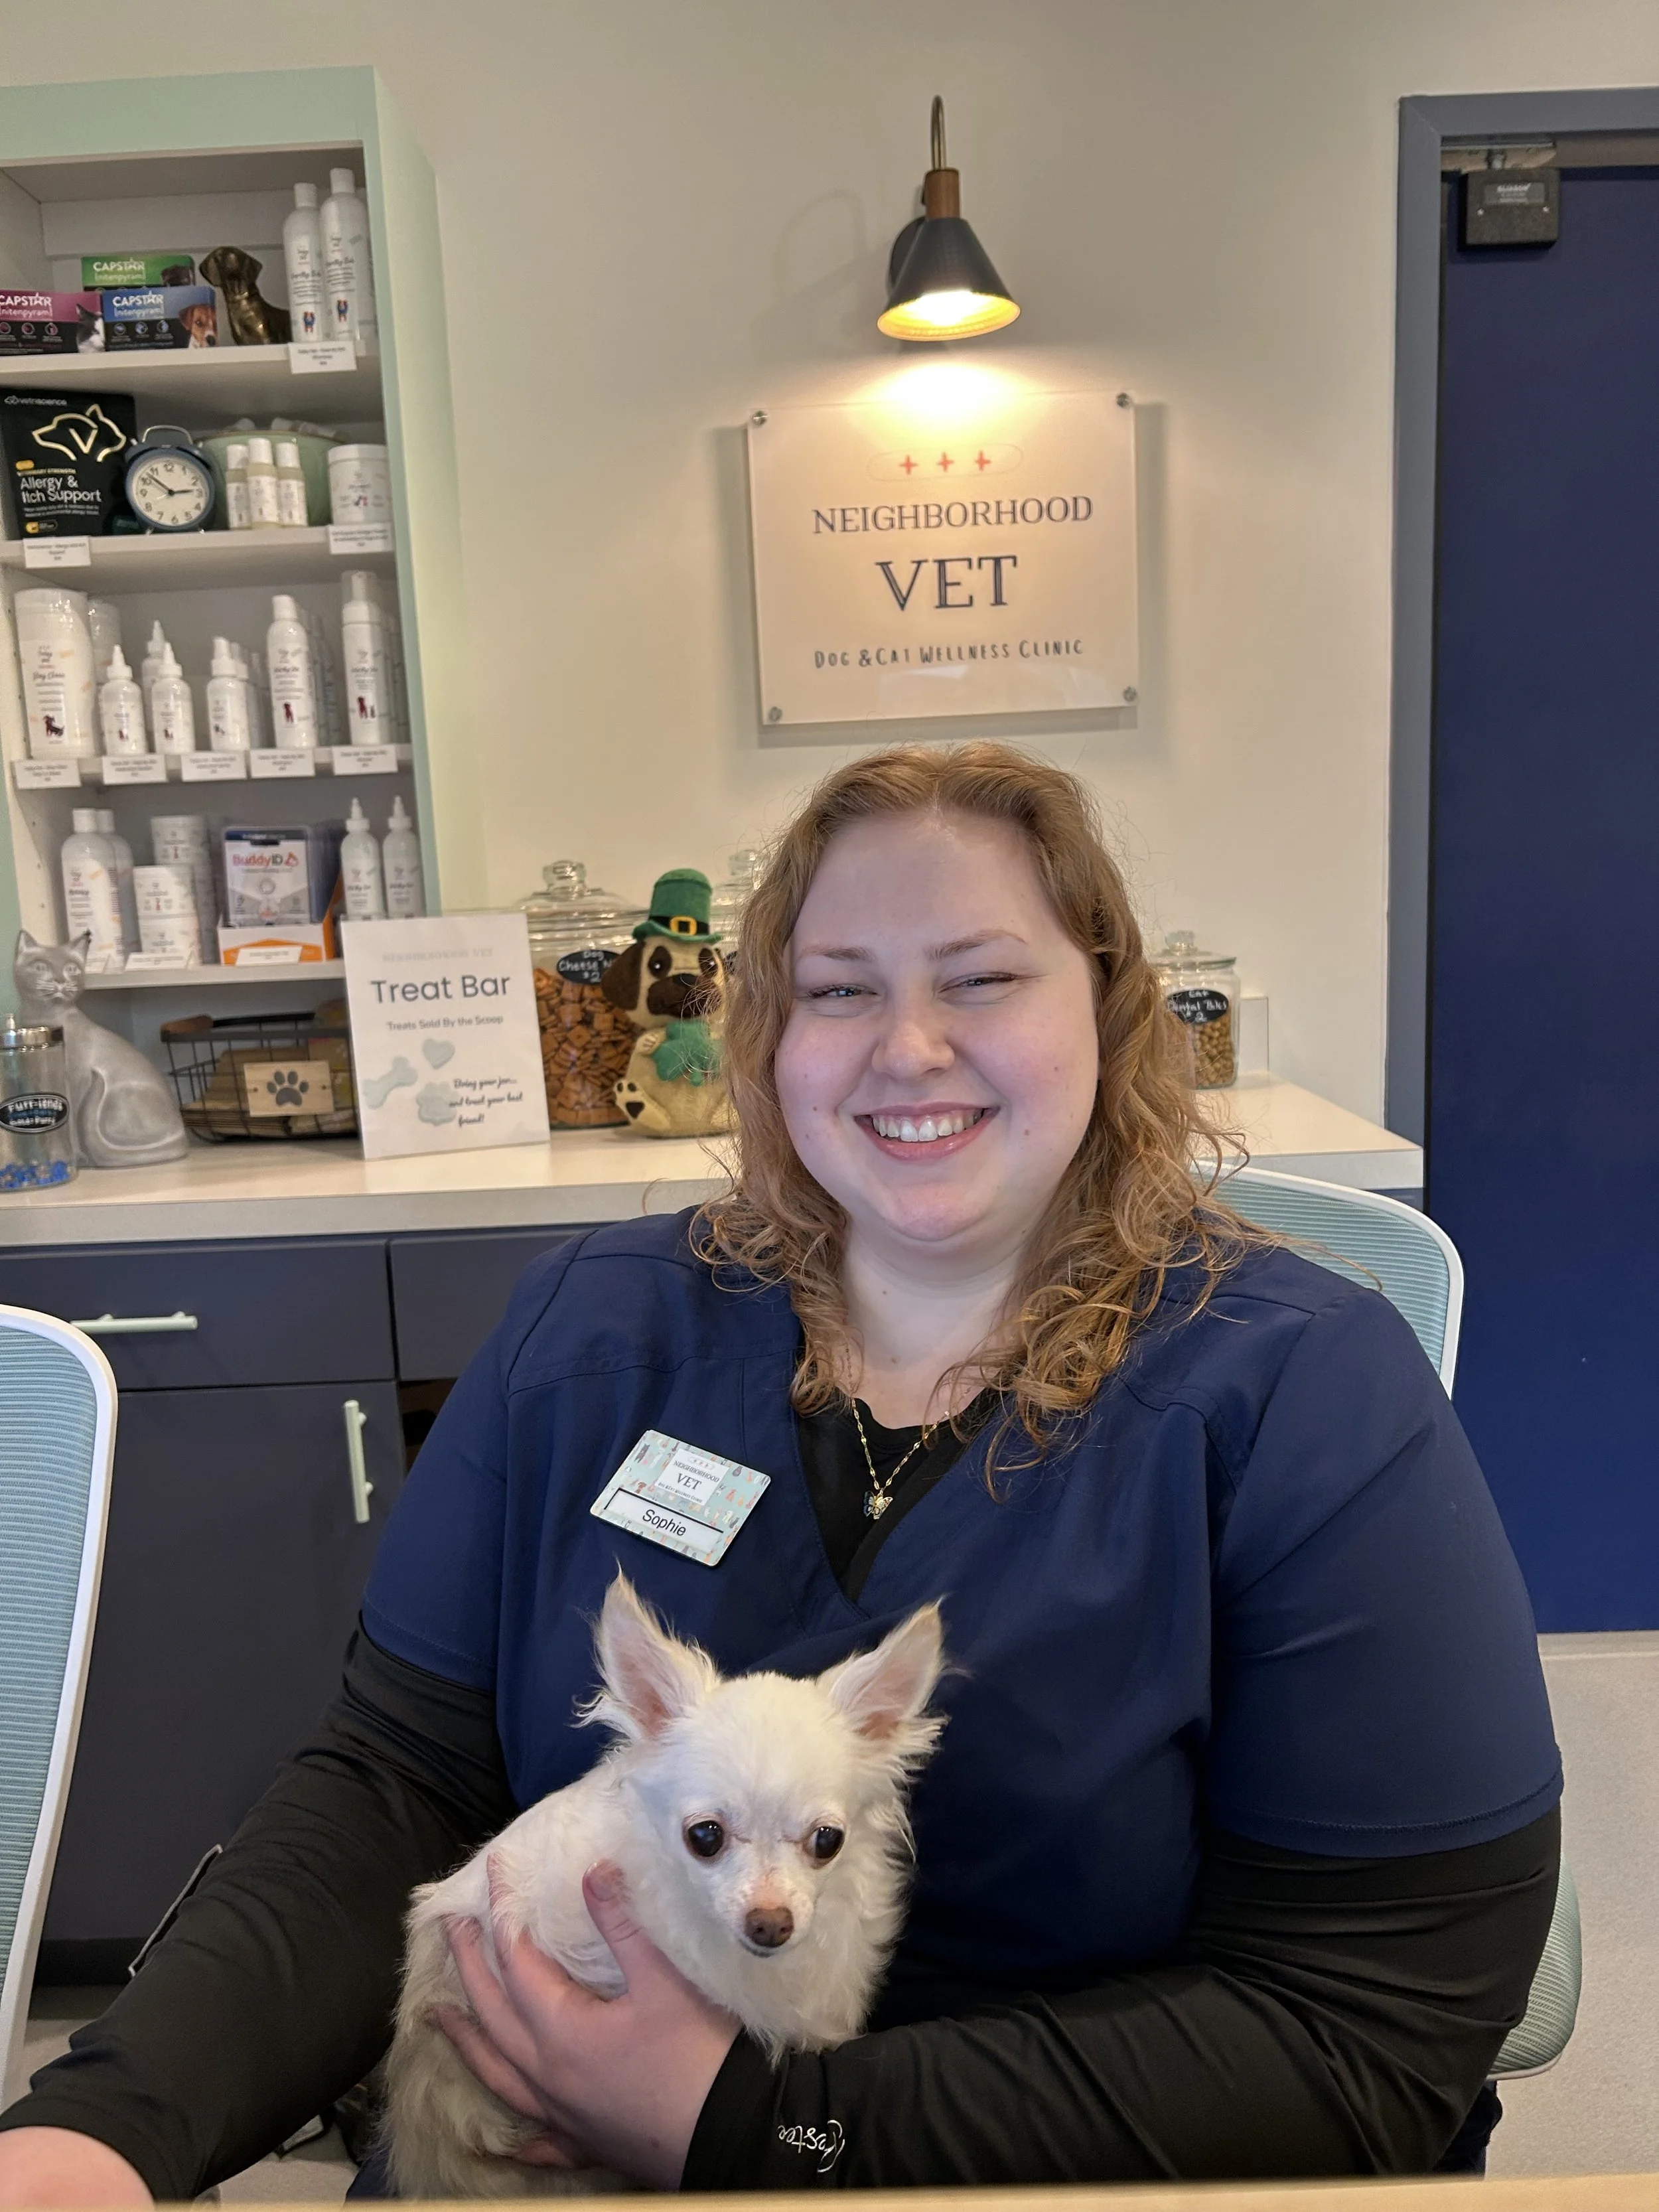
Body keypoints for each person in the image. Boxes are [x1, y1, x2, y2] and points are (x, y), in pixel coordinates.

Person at [0, 743, 1560, 2205]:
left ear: (1108, 1006)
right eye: (836, 989)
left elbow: (1370, 2027)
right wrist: (104, 2120)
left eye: (984, 977)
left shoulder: (1299, 1391)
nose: (908, 1048)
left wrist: (749, 2120)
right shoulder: (591, 1330)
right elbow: (395, 1791)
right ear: (766, 1030)